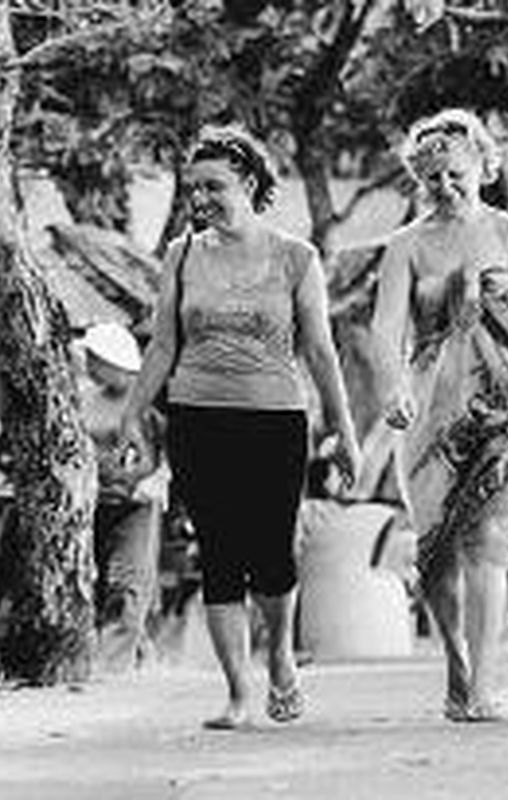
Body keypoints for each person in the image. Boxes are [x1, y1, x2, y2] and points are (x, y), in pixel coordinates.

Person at [119, 124, 360, 729]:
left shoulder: (295, 257)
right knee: (219, 555)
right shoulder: (180, 255)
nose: (200, 199)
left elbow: (322, 352)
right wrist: (129, 414)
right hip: (196, 419)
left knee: (272, 555)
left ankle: (279, 652)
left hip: (276, 420)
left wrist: (345, 429)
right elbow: (162, 346)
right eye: (193, 187)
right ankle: (236, 693)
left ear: (249, 183)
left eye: (214, 186)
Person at [370, 108, 508, 722]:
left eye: (455, 173)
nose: (445, 186)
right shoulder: (406, 244)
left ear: (482, 163)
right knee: (437, 553)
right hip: (430, 416)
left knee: (492, 545)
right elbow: (385, 328)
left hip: (504, 408)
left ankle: (483, 688)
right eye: (432, 179)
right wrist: (392, 385)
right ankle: (456, 664)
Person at [78, 321, 169, 673]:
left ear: (109, 360)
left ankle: (110, 674)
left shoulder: (151, 398)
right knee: (94, 584)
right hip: (92, 504)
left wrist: (161, 477)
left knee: (127, 582)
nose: (86, 363)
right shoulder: (82, 397)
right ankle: (141, 659)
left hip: (136, 506)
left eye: (92, 357)